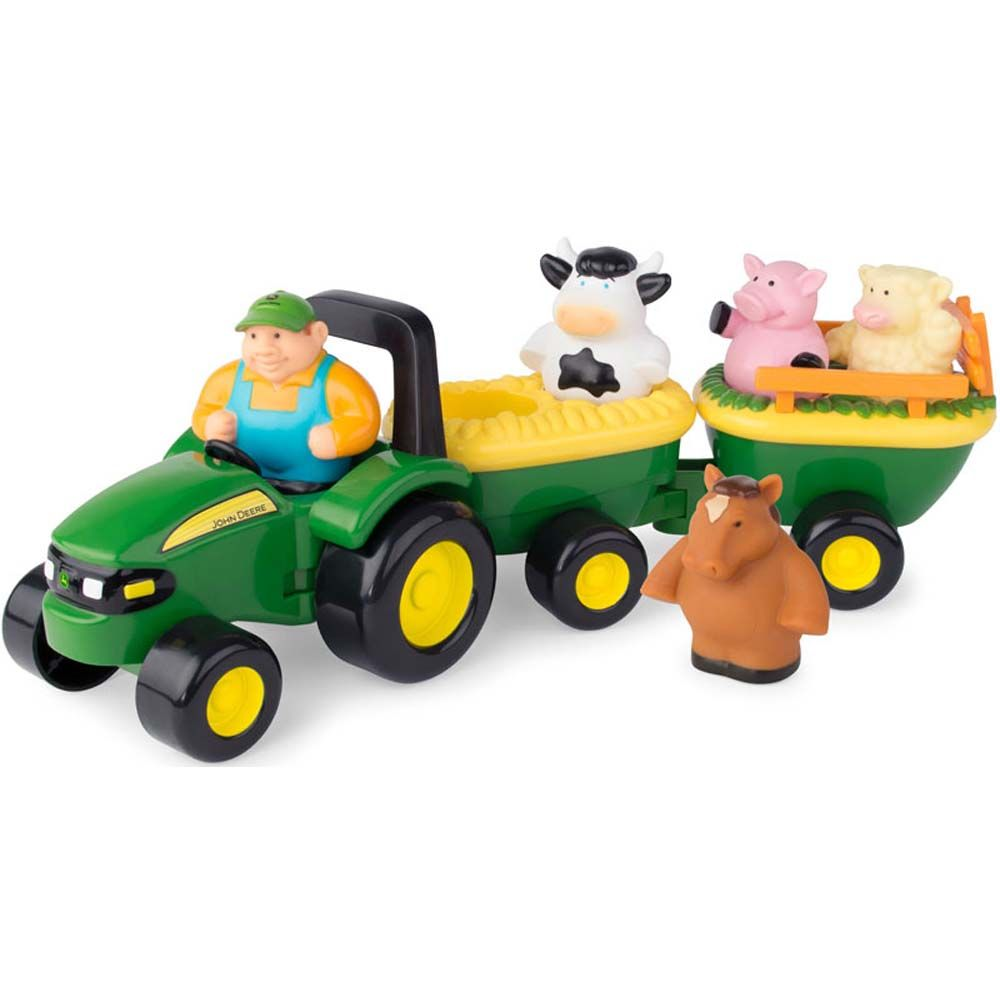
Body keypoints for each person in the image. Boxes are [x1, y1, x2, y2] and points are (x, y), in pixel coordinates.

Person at [193, 290, 379, 488]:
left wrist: (337, 438)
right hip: (243, 479)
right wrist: (210, 424)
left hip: (313, 483)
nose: (264, 350)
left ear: (317, 333)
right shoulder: (227, 379)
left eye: (277, 336)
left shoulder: (337, 381)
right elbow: (204, 409)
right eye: (253, 336)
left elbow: (363, 420)